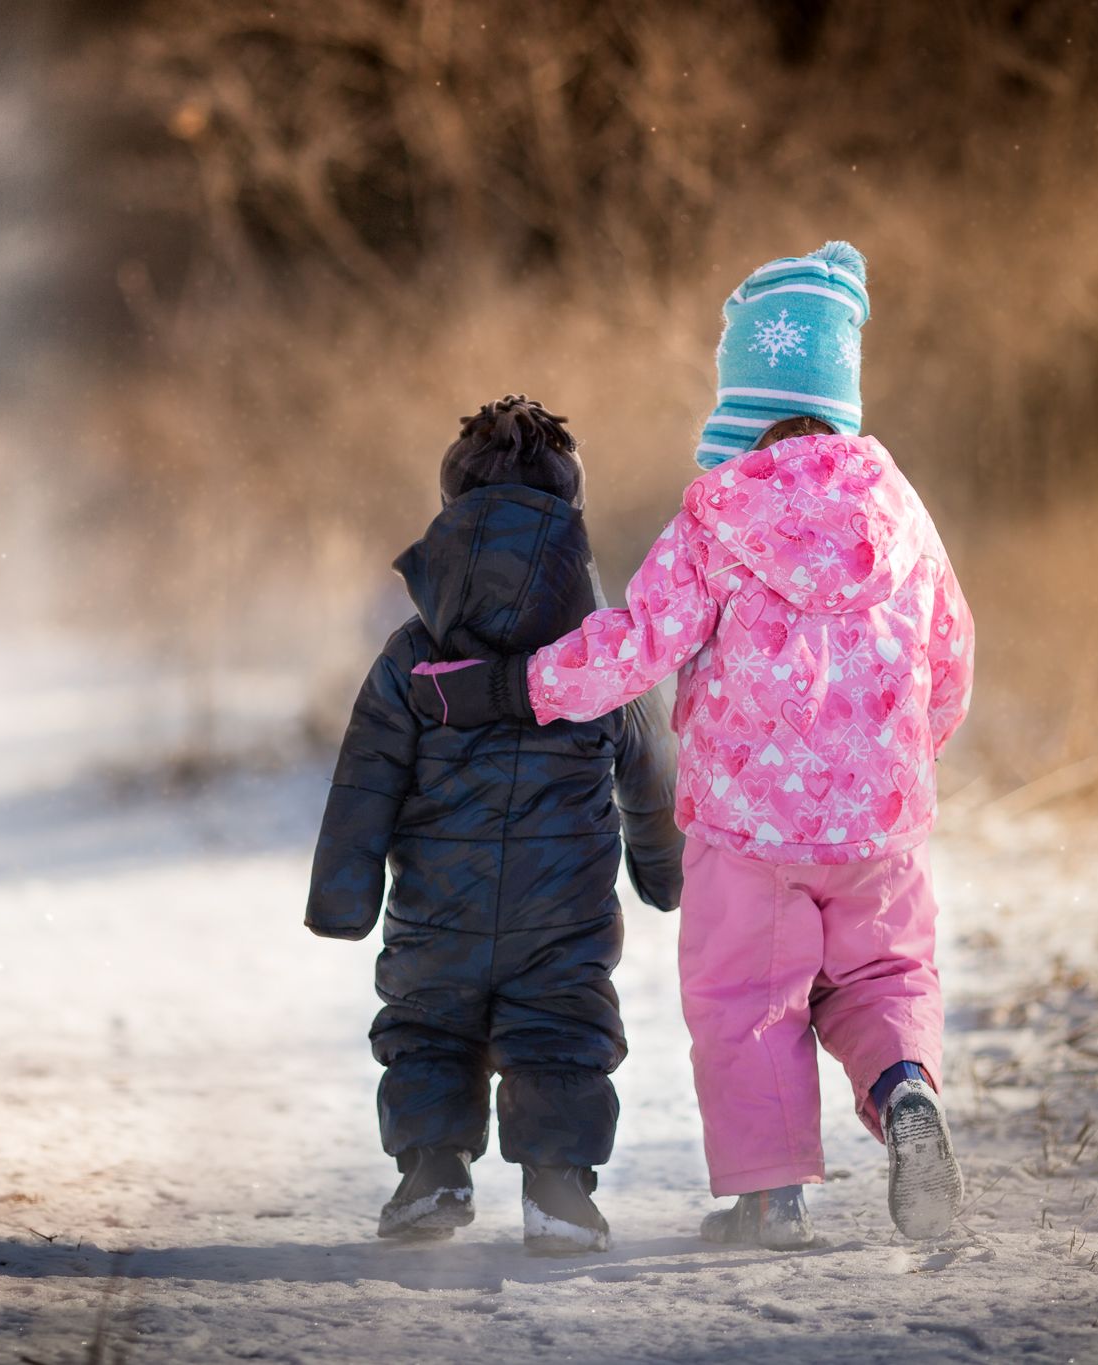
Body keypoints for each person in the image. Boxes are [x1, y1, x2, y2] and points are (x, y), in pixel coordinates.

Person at [406, 244, 975, 1247]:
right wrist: (907, 756)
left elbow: (633, 650)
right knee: (883, 978)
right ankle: (903, 1092)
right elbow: (949, 653)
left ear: (741, 403)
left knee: (747, 1007)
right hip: (882, 823)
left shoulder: (716, 518)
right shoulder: (898, 509)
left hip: (748, 832)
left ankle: (768, 1200)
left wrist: (513, 686)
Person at [306, 395, 683, 1254]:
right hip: (563, 919)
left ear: (451, 517)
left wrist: (344, 898)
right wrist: (666, 874)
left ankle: (431, 1169)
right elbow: (652, 778)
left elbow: (365, 782)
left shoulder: (412, 655)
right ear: (572, 520)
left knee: (430, 1030)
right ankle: (557, 1190)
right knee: (561, 1034)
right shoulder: (602, 652)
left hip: (439, 913)